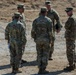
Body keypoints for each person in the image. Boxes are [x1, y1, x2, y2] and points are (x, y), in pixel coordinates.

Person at [31, 7, 52, 74]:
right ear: (45, 12)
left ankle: (40, 68)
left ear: (40, 12)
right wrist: (50, 40)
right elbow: (50, 32)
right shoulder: (48, 20)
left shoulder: (36, 20)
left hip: (38, 39)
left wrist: (34, 38)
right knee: (45, 54)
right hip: (46, 40)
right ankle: (43, 69)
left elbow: (33, 31)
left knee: (39, 53)